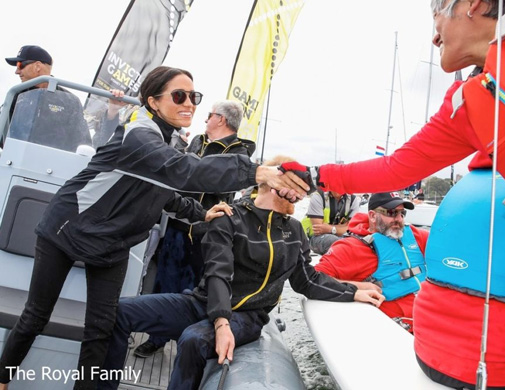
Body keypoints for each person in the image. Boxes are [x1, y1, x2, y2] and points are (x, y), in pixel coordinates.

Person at [287, 0, 505, 388]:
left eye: (435, 18)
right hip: (480, 352)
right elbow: (395, 167)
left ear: (472, 6)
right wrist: (314, 174)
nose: (434, 35)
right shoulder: (466, 105)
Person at [0, 66, 309, 390]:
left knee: (101, 329)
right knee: (36, 315)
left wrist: (202, 214)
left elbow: (165, 193)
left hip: (113, 246)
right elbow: (182, 171)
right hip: (66, 231)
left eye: (194, 96)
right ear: (153, 101)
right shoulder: (139, 132)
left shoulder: (167, 141)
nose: (189, 103)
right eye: (179, 96)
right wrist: (256, 171)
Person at [97, 155, 384, 390]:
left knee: (194, 340)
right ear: (275, 183)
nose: (301, 195)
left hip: (248, 316)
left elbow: (306, 280)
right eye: (297, 187)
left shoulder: (294, 230)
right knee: (119, 313)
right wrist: (221, 323)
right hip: (203, 304)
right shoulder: (231, 218)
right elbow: (218, 272)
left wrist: (353, 291)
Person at [133, 99, 256, 358]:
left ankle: (185, 345)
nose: (205, 119)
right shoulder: (197, 141)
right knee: (164, 284)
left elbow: (214, 182)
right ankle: (156, 337)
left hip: (207, 233)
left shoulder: (239, 153)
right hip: (178, 225)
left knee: (194, 293)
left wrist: (190, 170)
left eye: (209, 115)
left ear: (221, 119)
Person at [315, 192, 429, 332]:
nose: (399, 219)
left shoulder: (416, 235)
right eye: (392, 213)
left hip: (430, 313)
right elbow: (315, 280)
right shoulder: (351, 248)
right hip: (397, 328)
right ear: (373, 216)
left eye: (402, 213)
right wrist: (358, 287)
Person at [301, 189, 360, 254]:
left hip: (343, 236)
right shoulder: (318, 196)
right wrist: (343, 227)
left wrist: (331, 229)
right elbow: (318, 229)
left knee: (358, 242)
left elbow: (352, 228)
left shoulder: (353, 199)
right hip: (318, 238)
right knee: (335, 241)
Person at [3, 45, 54, 118]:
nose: (17, 72)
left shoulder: (68, 100)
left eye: (20, 65)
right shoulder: (17, 96)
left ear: (38, 67)